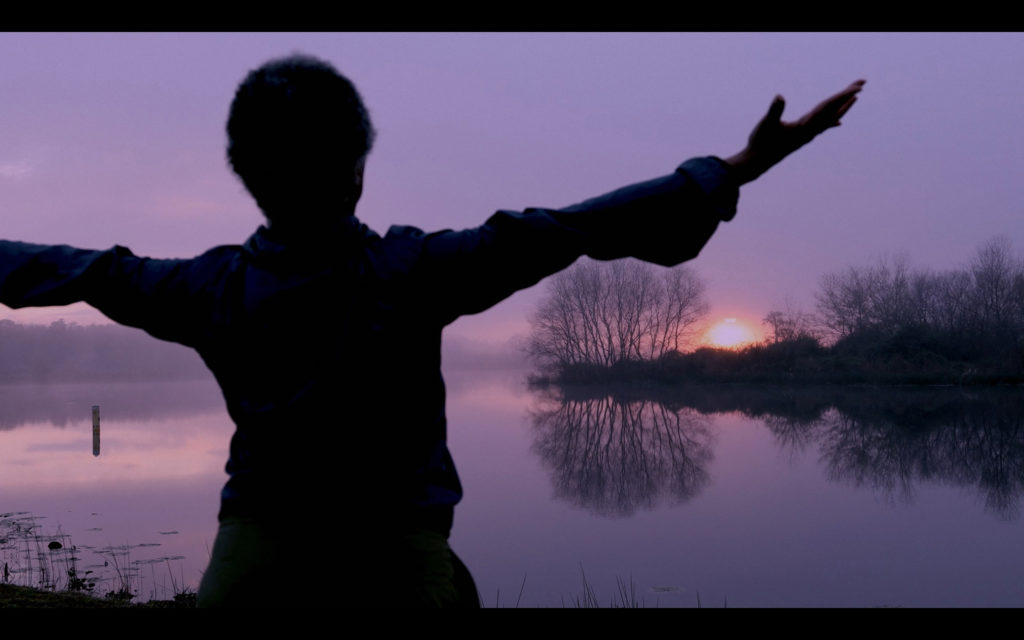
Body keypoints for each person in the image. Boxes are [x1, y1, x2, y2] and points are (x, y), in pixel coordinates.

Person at [0, 54, 863, 607]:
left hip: (255, 561)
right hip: (395, 561)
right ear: (360, 169)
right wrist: (740, 167)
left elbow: (82, 267)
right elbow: (575, 225)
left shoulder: (208, 288)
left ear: (246, 177)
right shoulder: (412, 271)